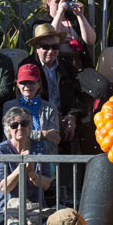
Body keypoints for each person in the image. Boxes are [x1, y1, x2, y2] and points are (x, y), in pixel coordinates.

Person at [0, 106, 55, 225]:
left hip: (37, 207)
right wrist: (21, 167)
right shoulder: (1, 150)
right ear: (8, 129)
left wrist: (32, 174)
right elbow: (4, 187)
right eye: (14, 125)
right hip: (7, 209)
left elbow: (46, 184)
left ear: (31, 126)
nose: (20, 127)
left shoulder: (40, 147)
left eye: (24, 123)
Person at [30, 23, 86, 154]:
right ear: (36, 48)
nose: (51, 51)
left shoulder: (67, 66)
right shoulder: (28, 67)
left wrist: (72, 116)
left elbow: (77, 95)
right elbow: (23, 98)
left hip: (64, 116)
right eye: (45, 47)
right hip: (39, 118)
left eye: (55, 47)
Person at [42, 0, 96, 68]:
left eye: (63, 1)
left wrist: (80, 15)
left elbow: (90, 40)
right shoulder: (42, 22)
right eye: (57, 2)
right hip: (55, 64)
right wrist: (60, 12)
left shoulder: (73, 19)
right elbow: (51, 38)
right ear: (48, 2)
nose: (60, 4)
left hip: (78, 63)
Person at [12, 62, 61, 153]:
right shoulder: (10, 107)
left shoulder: (50, 108)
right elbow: (10, 136)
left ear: (39, 84)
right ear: (17, 84)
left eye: (31, 82)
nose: (27, 86)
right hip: (18, 158)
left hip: (45, 158)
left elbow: (54, 138)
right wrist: (42, 134)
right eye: (23, 82)